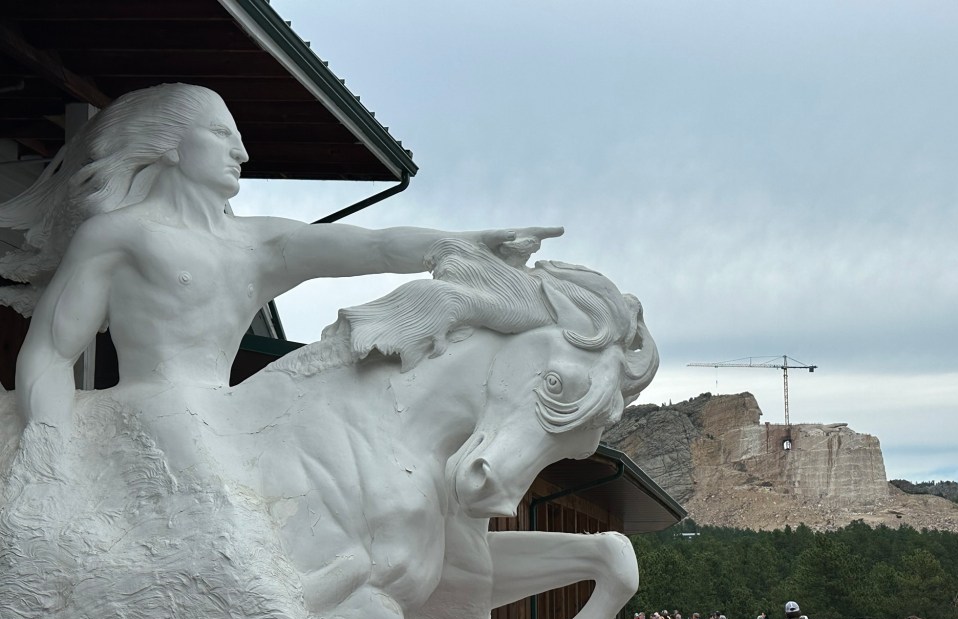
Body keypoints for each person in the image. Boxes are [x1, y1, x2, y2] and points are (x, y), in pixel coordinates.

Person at [0, 83, 561, 446]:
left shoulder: (259, 243)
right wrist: (51, 446)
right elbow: (50, 353)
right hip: (151, 420)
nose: (241, 152)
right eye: (223, 135)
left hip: (221, 418)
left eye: (239, 139)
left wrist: (471, 244)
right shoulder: (118, 235)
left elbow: (377, 245)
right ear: (170, 144)